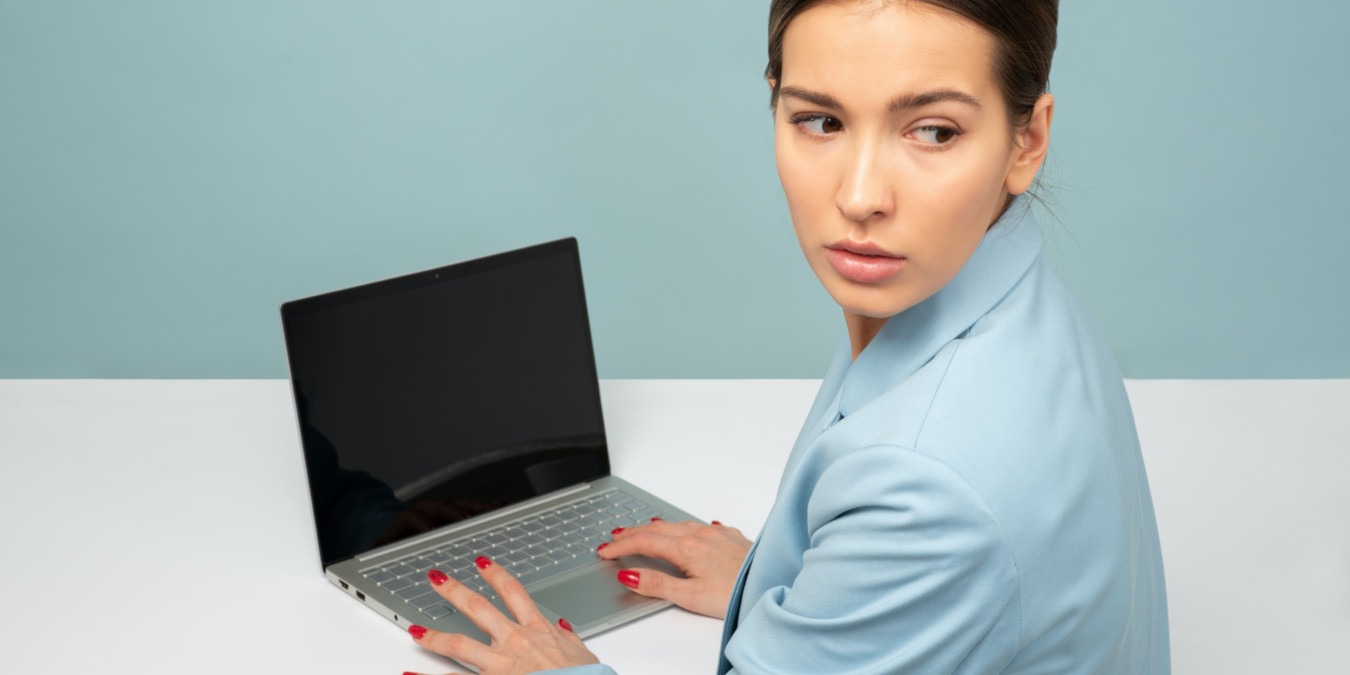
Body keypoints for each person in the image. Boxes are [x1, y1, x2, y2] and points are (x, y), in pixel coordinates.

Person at [402, 0, 1169, 672]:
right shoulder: (1003, 287)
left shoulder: (926, 488)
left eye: (932, 131)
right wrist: (781, 580)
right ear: (775, 104)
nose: (860, 196)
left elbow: (939, 499)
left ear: (1026, 141)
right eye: (821, 121)